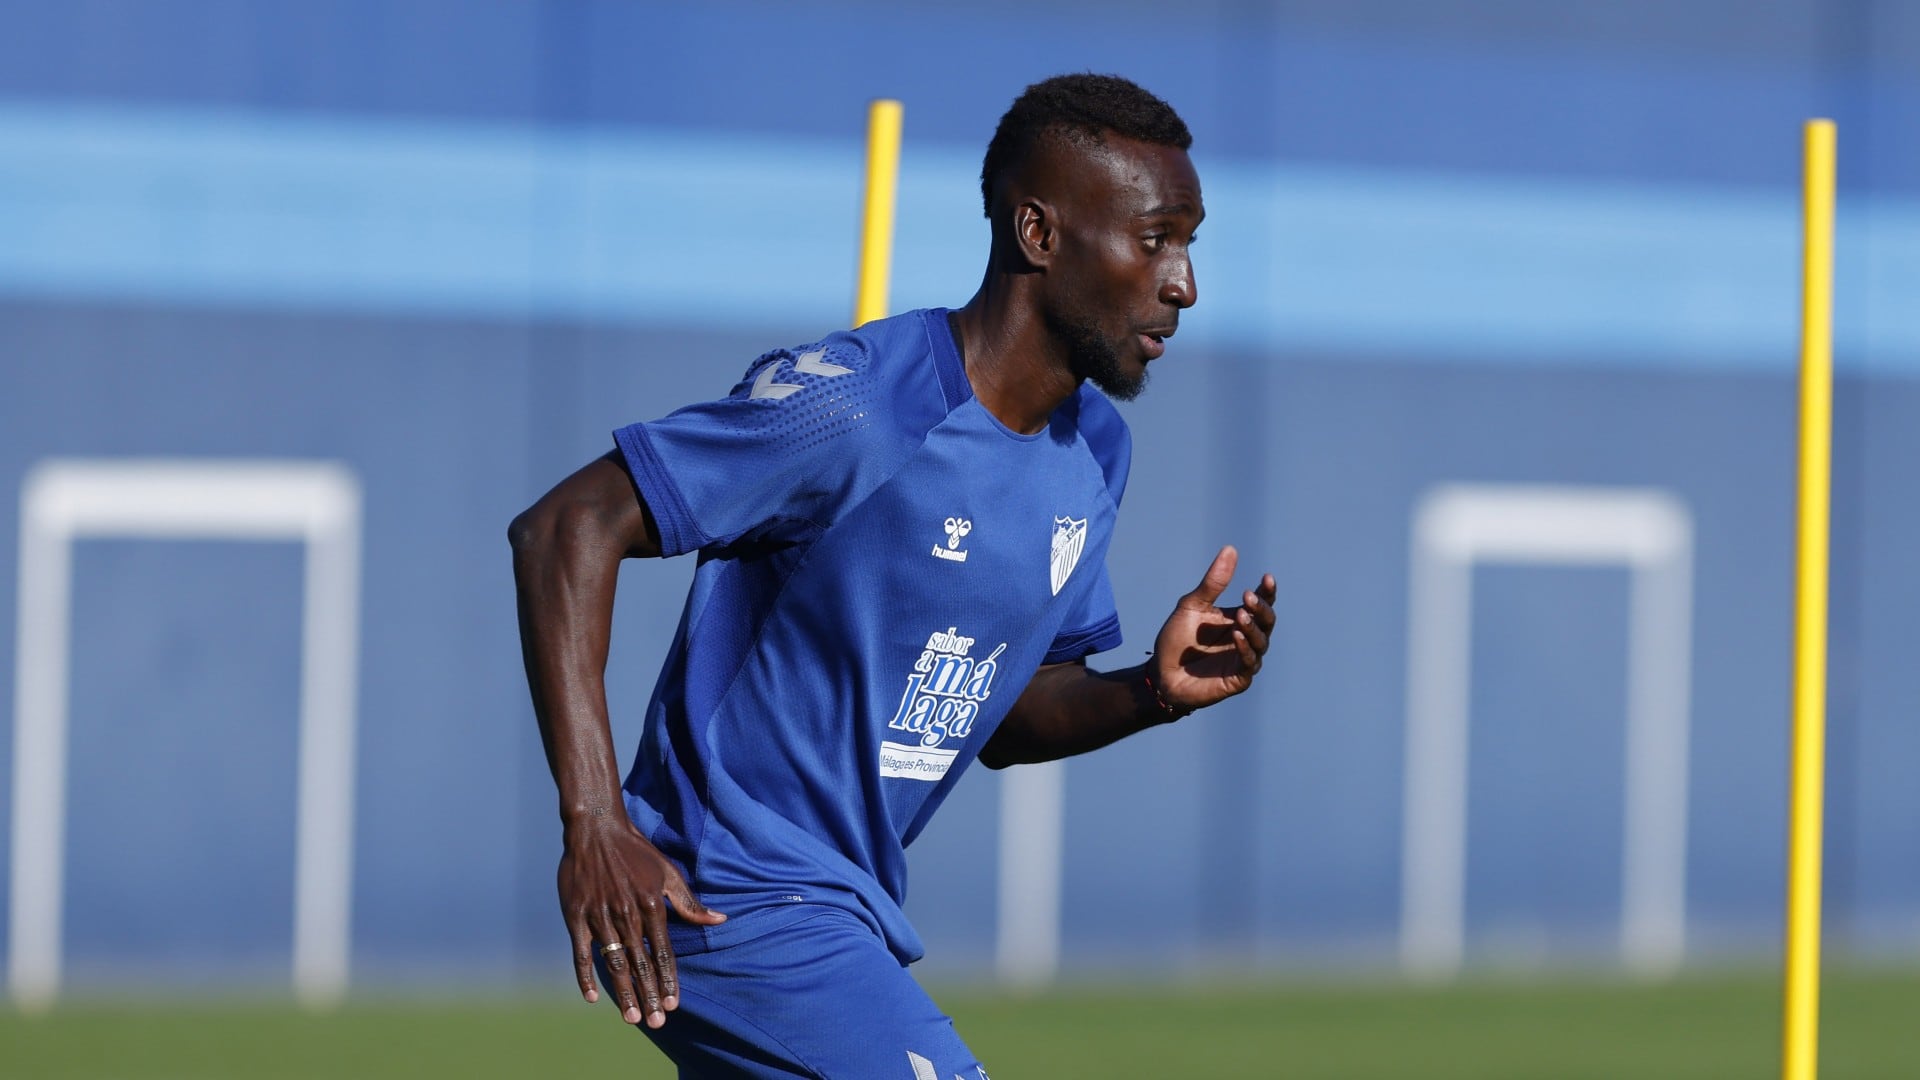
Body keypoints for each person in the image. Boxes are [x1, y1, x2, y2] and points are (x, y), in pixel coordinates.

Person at [510, 73, 1276, 1079]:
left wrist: (1147, 692)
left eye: (1189, 243)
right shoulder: (863, 403)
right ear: (1039, 236)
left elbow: (1005, 714)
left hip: (848, 908)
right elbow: (568, 525)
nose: (1183, 283)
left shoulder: (1094, 451)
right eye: (1154, 239)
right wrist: (596, 820)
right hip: (727, 890)